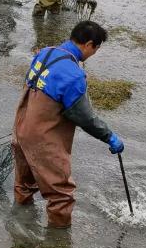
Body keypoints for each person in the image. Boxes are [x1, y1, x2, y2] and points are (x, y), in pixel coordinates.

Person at [12, 20, 124, 229]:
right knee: (61, 195)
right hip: (42, 140)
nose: (94, 54)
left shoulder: (46, 52)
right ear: (89, 44)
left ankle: (19, 225)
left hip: (21, 129)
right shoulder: (74, 75)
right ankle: (58, 245)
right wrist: (109, 136)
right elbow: (84, 118)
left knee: (24, 184)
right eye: (96, 49)